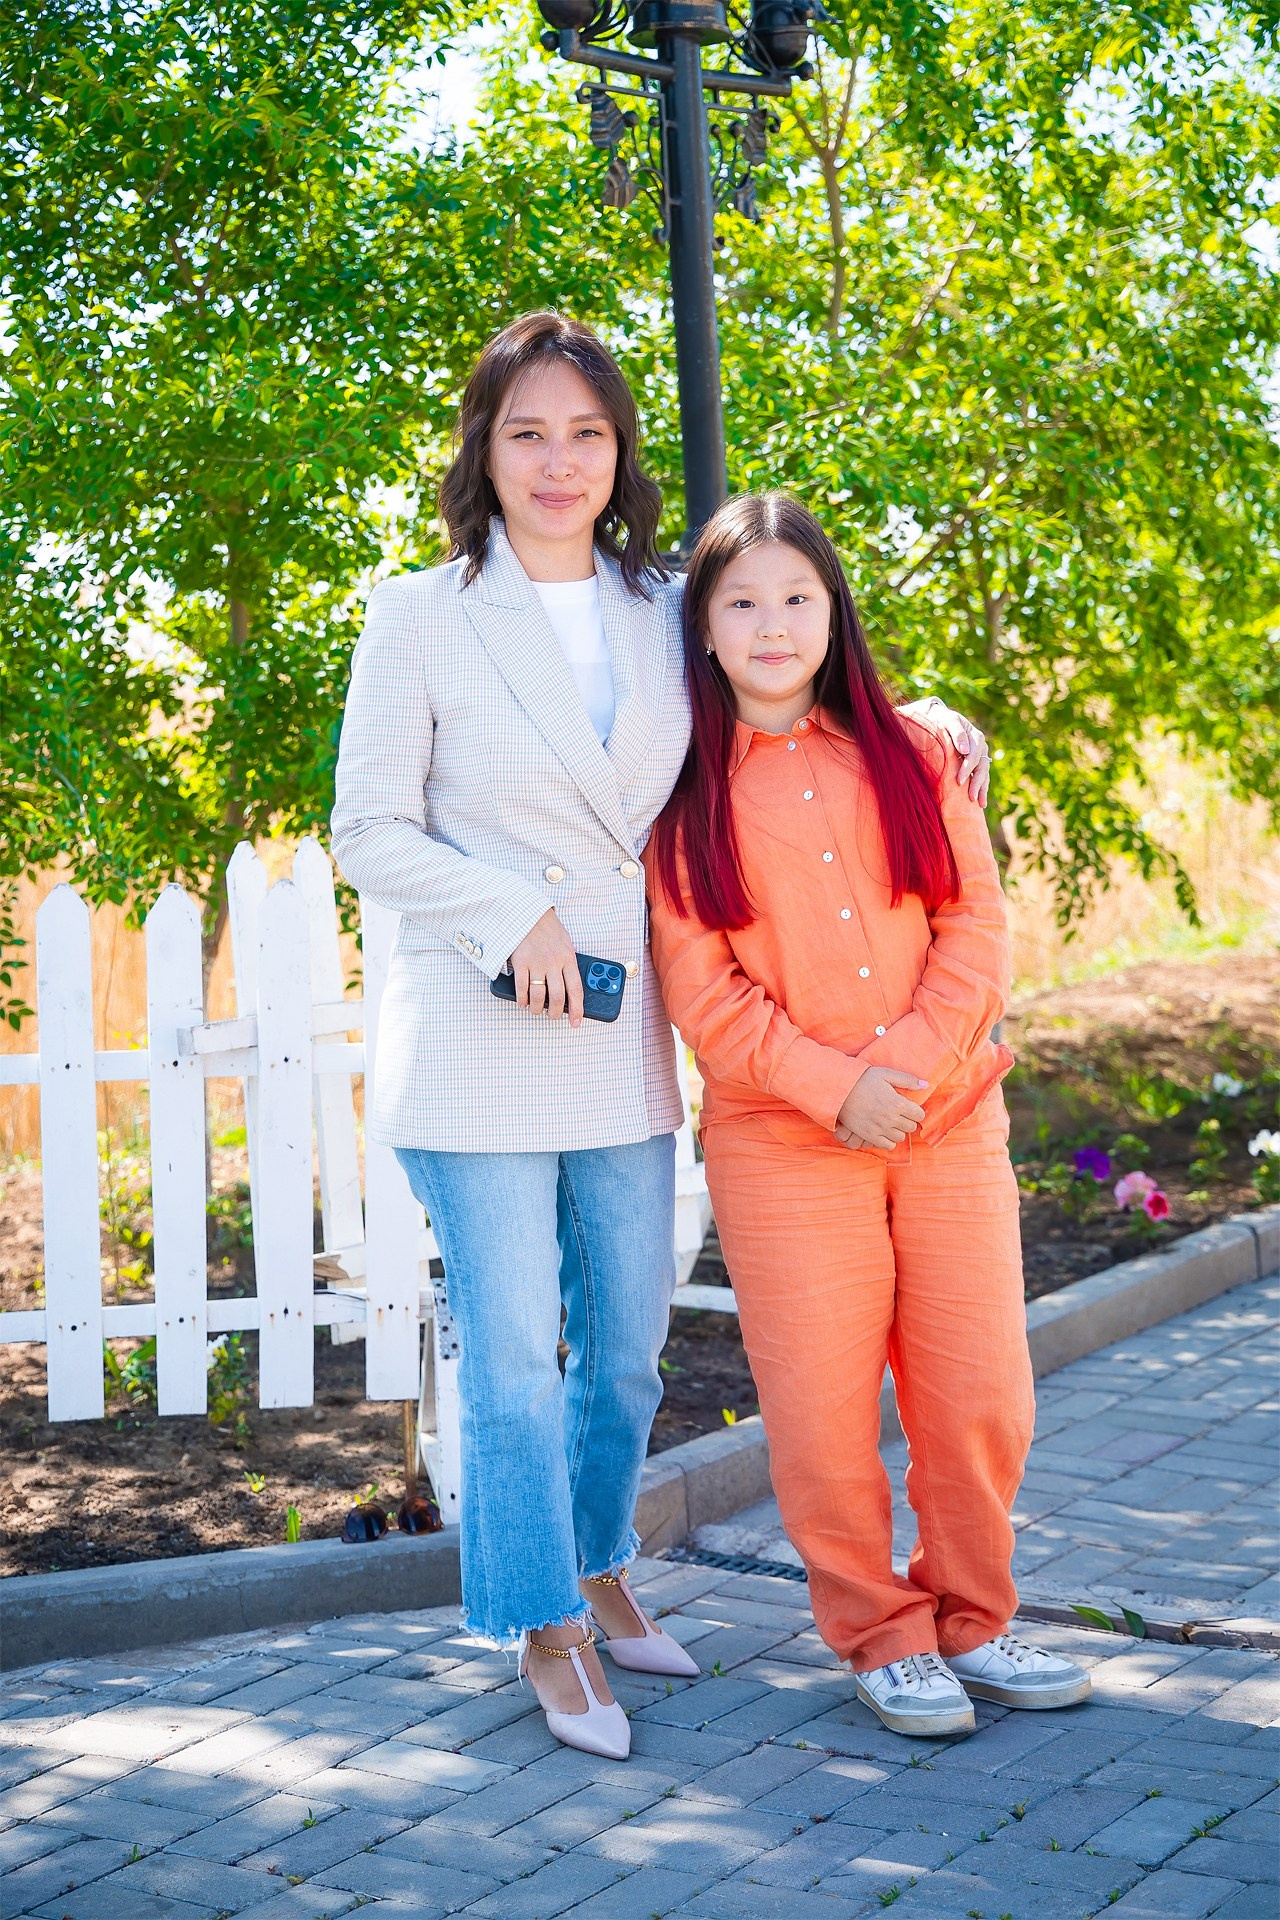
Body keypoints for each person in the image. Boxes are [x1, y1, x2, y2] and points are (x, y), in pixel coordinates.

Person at [331, 312, 991, 1760]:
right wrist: (510, 912)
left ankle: (604, 1558)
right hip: (477, 1022)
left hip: (625, 1036)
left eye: (585, 432)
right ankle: (542, 1622)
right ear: (484, 452)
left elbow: (783, 673)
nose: (558, 461)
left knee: (626, 1351)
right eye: (526, 433)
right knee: (511, 1354)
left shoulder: (656, 605)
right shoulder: (420, 611)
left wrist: (916, 711)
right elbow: (366, 825)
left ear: (619, 449)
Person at [646, 492, 1091, 1739]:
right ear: (705, 628)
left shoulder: (911, 754)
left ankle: (973, 1620)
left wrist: (902, 1068)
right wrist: (839, 1090)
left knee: (978, 1393)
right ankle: (879, 1637)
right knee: (822, 1409)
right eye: (741, 601)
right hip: (786, 1149)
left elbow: (976, 924)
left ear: (834, 610)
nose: (772, 623)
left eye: (796, 597)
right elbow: (702, 989)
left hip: (947, 1124)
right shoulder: (681, 799)